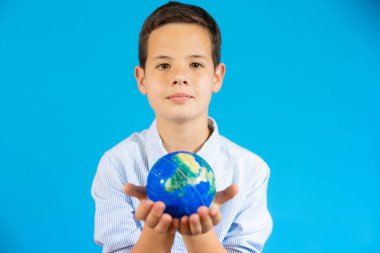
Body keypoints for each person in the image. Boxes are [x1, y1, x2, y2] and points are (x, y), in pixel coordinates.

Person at [91, 2, 273, 252]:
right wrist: (156, 232)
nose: (179, 76)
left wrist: (200, 235)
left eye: (195, 65)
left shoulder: (250, 171)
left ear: (216, 77)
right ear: (142, 79)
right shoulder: (118, 165)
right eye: (163, 65)